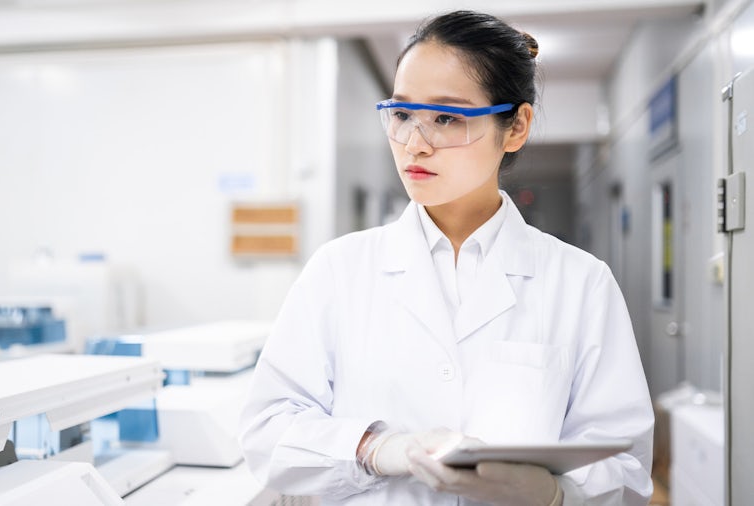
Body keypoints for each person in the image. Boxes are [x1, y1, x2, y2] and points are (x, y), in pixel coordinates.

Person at [238, 10, 654, 505]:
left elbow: (627, 474)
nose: (415, 143)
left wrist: (553, 494)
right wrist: (375, 448)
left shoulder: (582, 282)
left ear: (516, 126)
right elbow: (267, 432)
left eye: (447, 117)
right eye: (402, 114)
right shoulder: (338, 270)